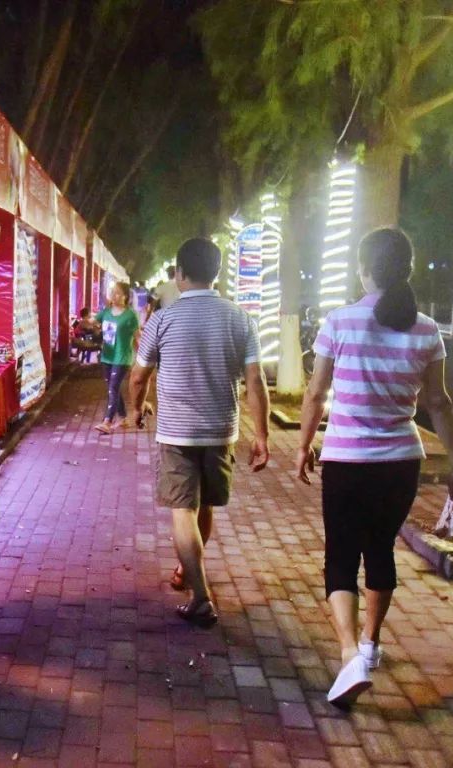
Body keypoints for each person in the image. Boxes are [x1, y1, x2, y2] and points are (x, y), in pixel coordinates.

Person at [295, 228, 453, 709]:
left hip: (347, 460)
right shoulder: (427, 330)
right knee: (380, 549)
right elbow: (438, 402)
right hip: (400, 464)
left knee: (340, 557)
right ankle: (371, 644)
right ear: (407, 271)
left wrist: (304, 444)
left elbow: (314, 393)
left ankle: (350, 654)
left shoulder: (340, 322)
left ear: (364, 268)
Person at [130, 237, 270, 627]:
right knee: (203, 506)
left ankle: (202, 596)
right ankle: (187, 571)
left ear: (179, 274)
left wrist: (135, 409)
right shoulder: (241, 319)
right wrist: (261, 435)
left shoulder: (163, 318)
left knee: (183, 511)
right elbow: (255, 382)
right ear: (217, 273)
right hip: (221, 430)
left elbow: (140, 376)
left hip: (176, 432)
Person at [94, 283, 140, 434]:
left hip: (122, 357)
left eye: (119, 293)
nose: (115, 295)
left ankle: (107, 421)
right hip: (107, 356)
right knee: (112, 388)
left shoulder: (130, 315)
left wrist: (143, 359)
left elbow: (137, 337)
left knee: (113, 388)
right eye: (113, 292)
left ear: (126, 296)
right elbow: (94, 322)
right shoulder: (106, 312)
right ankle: (123, 418)